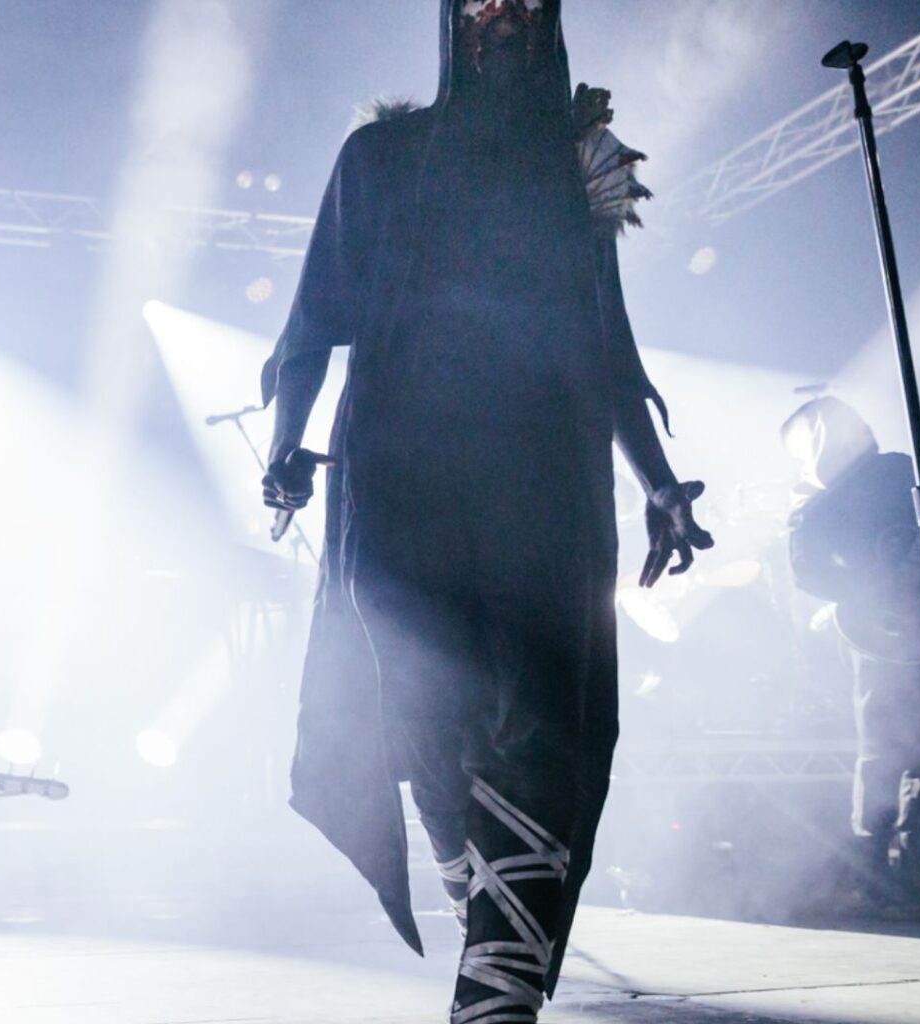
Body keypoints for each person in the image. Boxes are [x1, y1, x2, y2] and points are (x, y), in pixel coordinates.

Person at [259, 3, 711, 1020]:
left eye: (523, 1)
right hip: (401, 473)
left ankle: (496, 991)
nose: (502, 15)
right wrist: (286, 445)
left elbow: (607, 342)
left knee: (542, 716)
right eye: (483, 1)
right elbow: (314, 316)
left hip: (543, 479)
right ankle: (491, 913)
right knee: (425, 710)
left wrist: (658, 481)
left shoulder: (574, 170)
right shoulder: (381, 156)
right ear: (452, 17)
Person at [781, 396, 920, 911]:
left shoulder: (897, 469)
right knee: (883, 749)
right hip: (878, 631)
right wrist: (874, 588)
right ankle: (873, 874)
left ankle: (915, 874)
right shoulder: (816, 503)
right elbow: (807, 572)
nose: (860, 429)